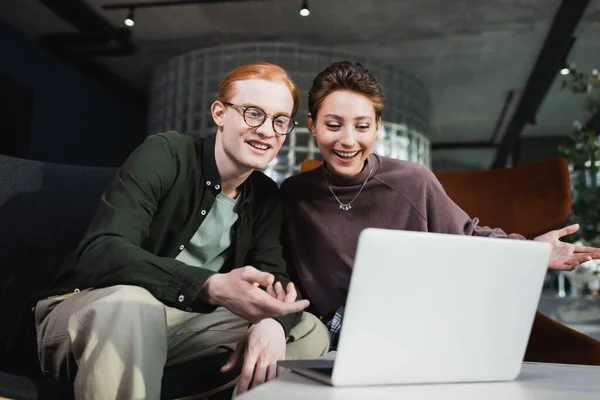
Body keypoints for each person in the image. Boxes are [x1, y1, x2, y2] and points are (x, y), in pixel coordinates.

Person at [29, 62, 330, 399]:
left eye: (279, 121)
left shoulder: (265, 195)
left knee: (307, 331)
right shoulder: (166, 153)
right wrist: (209, 285)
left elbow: (272, 274)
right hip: (94, 311)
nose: (266, 131)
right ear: (219, 113)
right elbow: (100, 251)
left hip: (181, 325)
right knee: (133, 304)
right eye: (252, 113)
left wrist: (272, 321)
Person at [280, 60, 600, 351]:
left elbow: (468, 236)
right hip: (328, 338)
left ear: (377, 126)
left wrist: (533, 250)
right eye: (333, 125)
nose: (348, 140)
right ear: (312, 124)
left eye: (362, 126)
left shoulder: (412, 181)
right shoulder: (293, 194)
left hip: (412, 329)